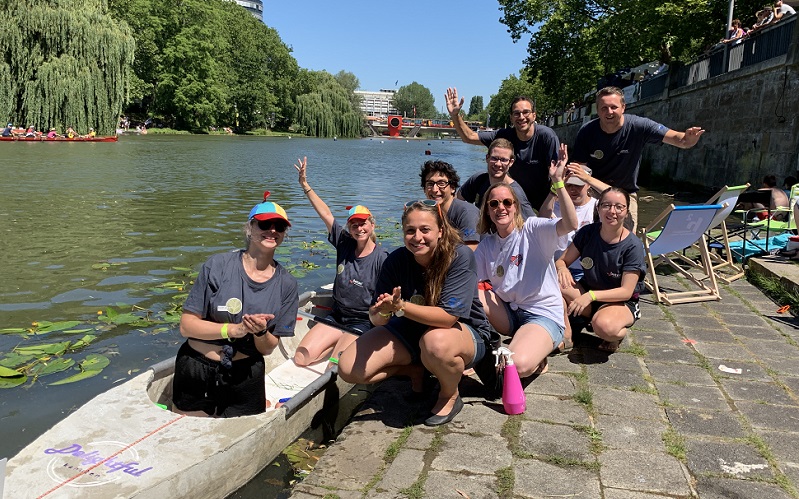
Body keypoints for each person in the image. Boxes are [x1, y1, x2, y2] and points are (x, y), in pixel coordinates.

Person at [337, 200, 491, 426]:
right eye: (410, 231)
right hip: (410, 332)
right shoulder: (396, 260)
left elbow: (448, 318)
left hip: (462, 332)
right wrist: (382, 311)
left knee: (435, 343)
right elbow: (377, 320)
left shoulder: (459, 256)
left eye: (425, 229)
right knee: (349, 368)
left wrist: (401, 307)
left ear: (440, 231)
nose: (417, 237)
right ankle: (415, 370)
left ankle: (449, 394)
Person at [172, 192, 299, 417]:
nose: (272, 230)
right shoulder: (217, 265)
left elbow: (268, 348)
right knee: (188, 432)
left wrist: (260, 332)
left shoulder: (287, 284)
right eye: (265, 224)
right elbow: (186, 326)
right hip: (196, 368)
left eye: (279, 226)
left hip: (245, 375)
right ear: (250, 228)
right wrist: (234, 329)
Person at [474, 144, 577, 378]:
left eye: (507, 202)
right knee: (473, 292)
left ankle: (540, 349)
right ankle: (483, 344)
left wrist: (558, 183)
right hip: (510, 314)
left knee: (515, 365)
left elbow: (570, 224)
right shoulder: (487, 245)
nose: (501, 208)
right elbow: (467, 279)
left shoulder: (533, 230)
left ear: (516, 207)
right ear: (487, 211)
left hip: (541, 313)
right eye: (494, 204)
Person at [292, 156, 388, 368]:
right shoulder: (344, 243)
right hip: (337, 316)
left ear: (372, 225)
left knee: (335, 365)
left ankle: (343, 348)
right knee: (301, 357)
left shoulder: (382, 258)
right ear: (349, 228)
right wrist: (305, 185)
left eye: (363, 223)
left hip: (363, 321)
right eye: (354, 224)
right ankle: (336, 343)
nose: (359, 228)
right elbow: (326, 214)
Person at [571, 86, 705, 231]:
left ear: (623, 107)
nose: (609, 112)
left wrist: (688, 139)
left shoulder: (639, 126)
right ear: (597, 110)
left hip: (625, 192)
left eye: (614, 107)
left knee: (628, 237)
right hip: (594, 191)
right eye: (604, 108)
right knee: (581, 232)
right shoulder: (587, 132)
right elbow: (579, 173)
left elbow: (679, 139)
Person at [556, 187, 647, 353]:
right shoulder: (588, 232)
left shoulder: (633, 246)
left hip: (618, 300)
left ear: (626, 212)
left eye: (619, 207)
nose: (612, 211)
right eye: (606, 205)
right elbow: (562, 261)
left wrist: (590, 296)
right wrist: (562, 269)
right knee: (554, 280)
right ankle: (567, 333)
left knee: (605, 327)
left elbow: (626, 291)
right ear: (598, 208)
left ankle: (615, 333)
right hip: (588, 291)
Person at [445, 87, 560, 211]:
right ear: (511, 117)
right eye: (516, 113)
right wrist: (455, 116)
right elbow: (469, 137)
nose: (521, 117)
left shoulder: (546, 137)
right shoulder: (504, 135)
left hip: (542, 202)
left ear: (534, 115)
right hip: (513, 200)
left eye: (526, 112)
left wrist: (549, 206)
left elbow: (557, 174)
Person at [539, 164, 610, 350]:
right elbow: (541, 217)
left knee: (554, 287)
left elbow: (617, 195)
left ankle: (579, 322)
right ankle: (567, 330)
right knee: (555, 288)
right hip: (559, 267)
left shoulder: (598, 207)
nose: (573, 189)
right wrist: (555, 187)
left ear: (588, 186)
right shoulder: (556, 204)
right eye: (569, 185)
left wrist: (587, 178)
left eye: (579, 185)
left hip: (586, 273)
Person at [457, 138, 536, 219]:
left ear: (511, 162)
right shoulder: (478, 179)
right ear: (487, 158)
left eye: (503, 160)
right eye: (494, 158)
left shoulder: (515, 192)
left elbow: (532, 222)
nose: (498, 164)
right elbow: (455, 202)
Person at [420, 160, 480, 250]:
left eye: (441, 184)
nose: (435, 189)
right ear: (424, 189)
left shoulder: (467, 212)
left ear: (452, 188)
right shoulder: (428, 213)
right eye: (430, 184)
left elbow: (471, 249)